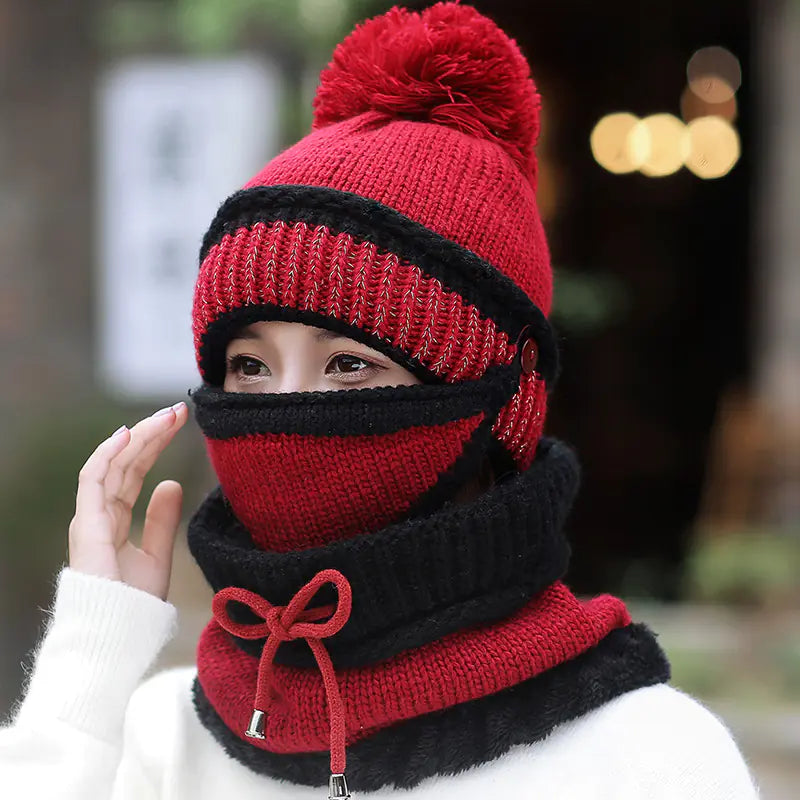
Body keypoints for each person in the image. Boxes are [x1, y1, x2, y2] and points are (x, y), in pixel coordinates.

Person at [0, 3, 760, 798]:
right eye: (250, 366)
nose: (285, 407)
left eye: (349, 365)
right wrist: (91, 666)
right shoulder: (160, 739)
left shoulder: (647, 759)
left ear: (504, 397)